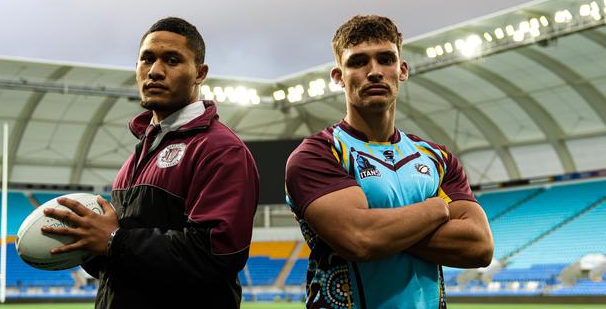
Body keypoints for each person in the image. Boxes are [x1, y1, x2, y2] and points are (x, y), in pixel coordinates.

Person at [42, 17, 260, 308]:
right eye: (147, 59)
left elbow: (216, 253)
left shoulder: (221, 150)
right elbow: (121, 264)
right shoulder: (138, 155)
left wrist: (113, 240)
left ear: (200, 73)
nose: (155, 71)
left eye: (172, 60)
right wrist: (88, 244)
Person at [285, 15, 494, 309]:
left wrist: (383, 226)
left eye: (386, 59)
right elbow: (360, 239)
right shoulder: (318, 154)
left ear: (402, 70)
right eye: (358, 62)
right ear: (338, 76)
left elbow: (479, 246)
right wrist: (435, 209)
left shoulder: (437, 157)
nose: (374, 72)